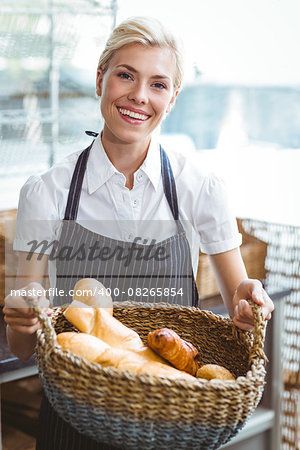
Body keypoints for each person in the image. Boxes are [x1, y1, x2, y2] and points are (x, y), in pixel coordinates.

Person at [3, 16, 274, 450]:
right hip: (73, 420)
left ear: (173, 97)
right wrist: (21, 317)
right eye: (125, 75)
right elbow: (22, 346)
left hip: (172, 418)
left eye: (158, 84)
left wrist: (249, 306)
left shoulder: (201, 187)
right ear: (100, 79)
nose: (139, 96)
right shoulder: (46, 192)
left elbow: (237, 308)